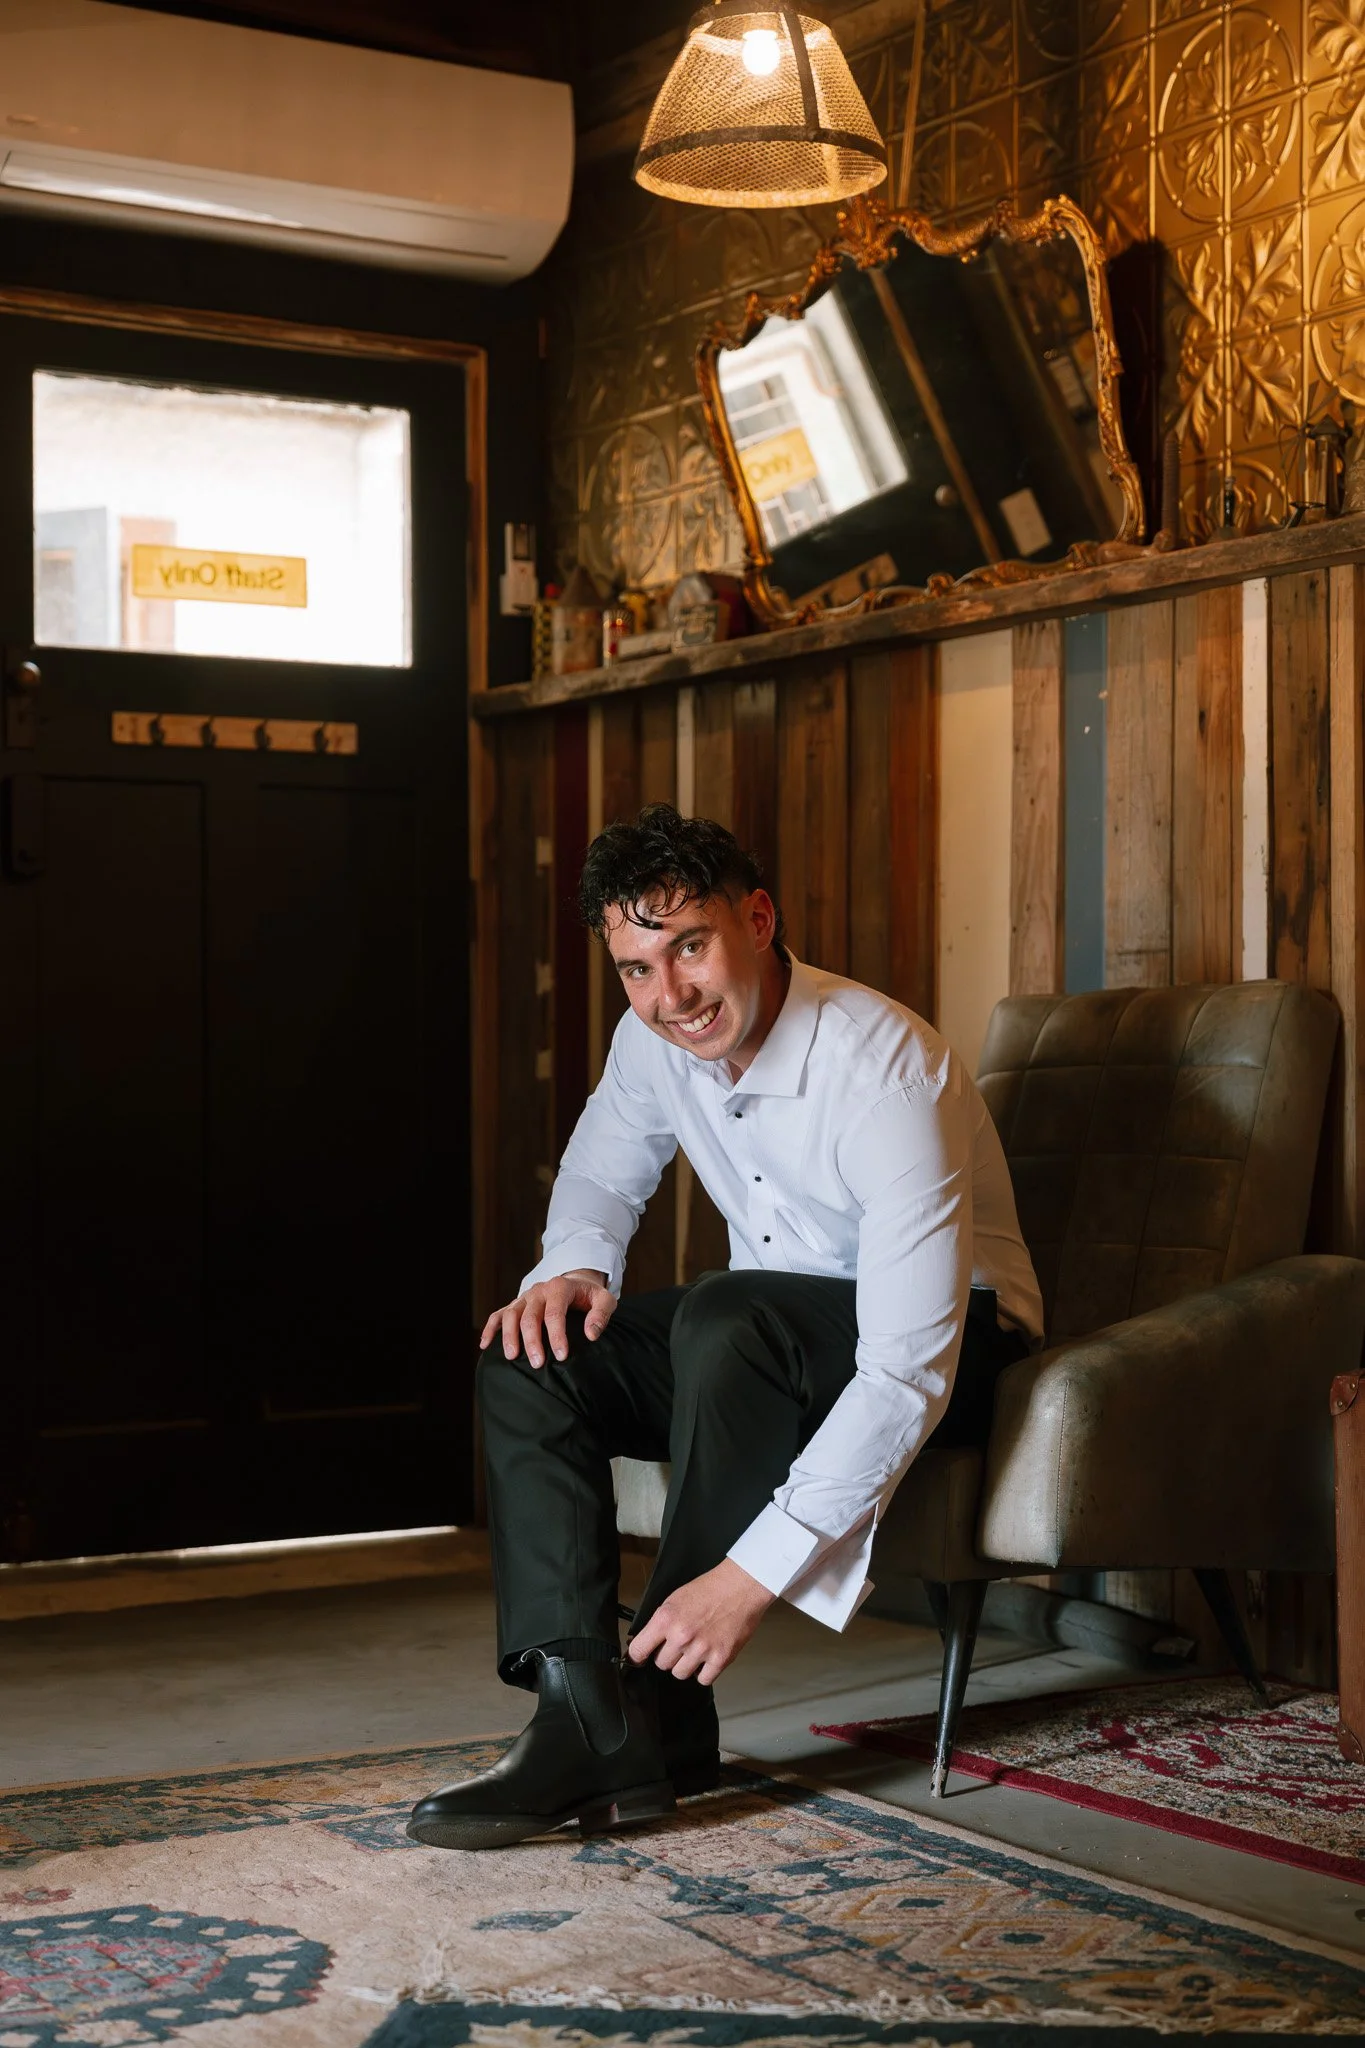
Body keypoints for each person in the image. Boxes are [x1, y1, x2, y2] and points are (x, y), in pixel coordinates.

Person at [409, 804, 1043, 1852]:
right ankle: (584, 1711)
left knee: (727, 1310)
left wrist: (749, 1577)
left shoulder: (888, 1066)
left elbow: (902, 1368)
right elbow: (603, 1171)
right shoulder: (652, 1037)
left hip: (960, 1346)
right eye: (635, 966)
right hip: (754, 1337)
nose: (669, 996)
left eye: (690, 946)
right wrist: (571, 1266)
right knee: (530, 1352)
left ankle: (661, 1701)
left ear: (757, 917)